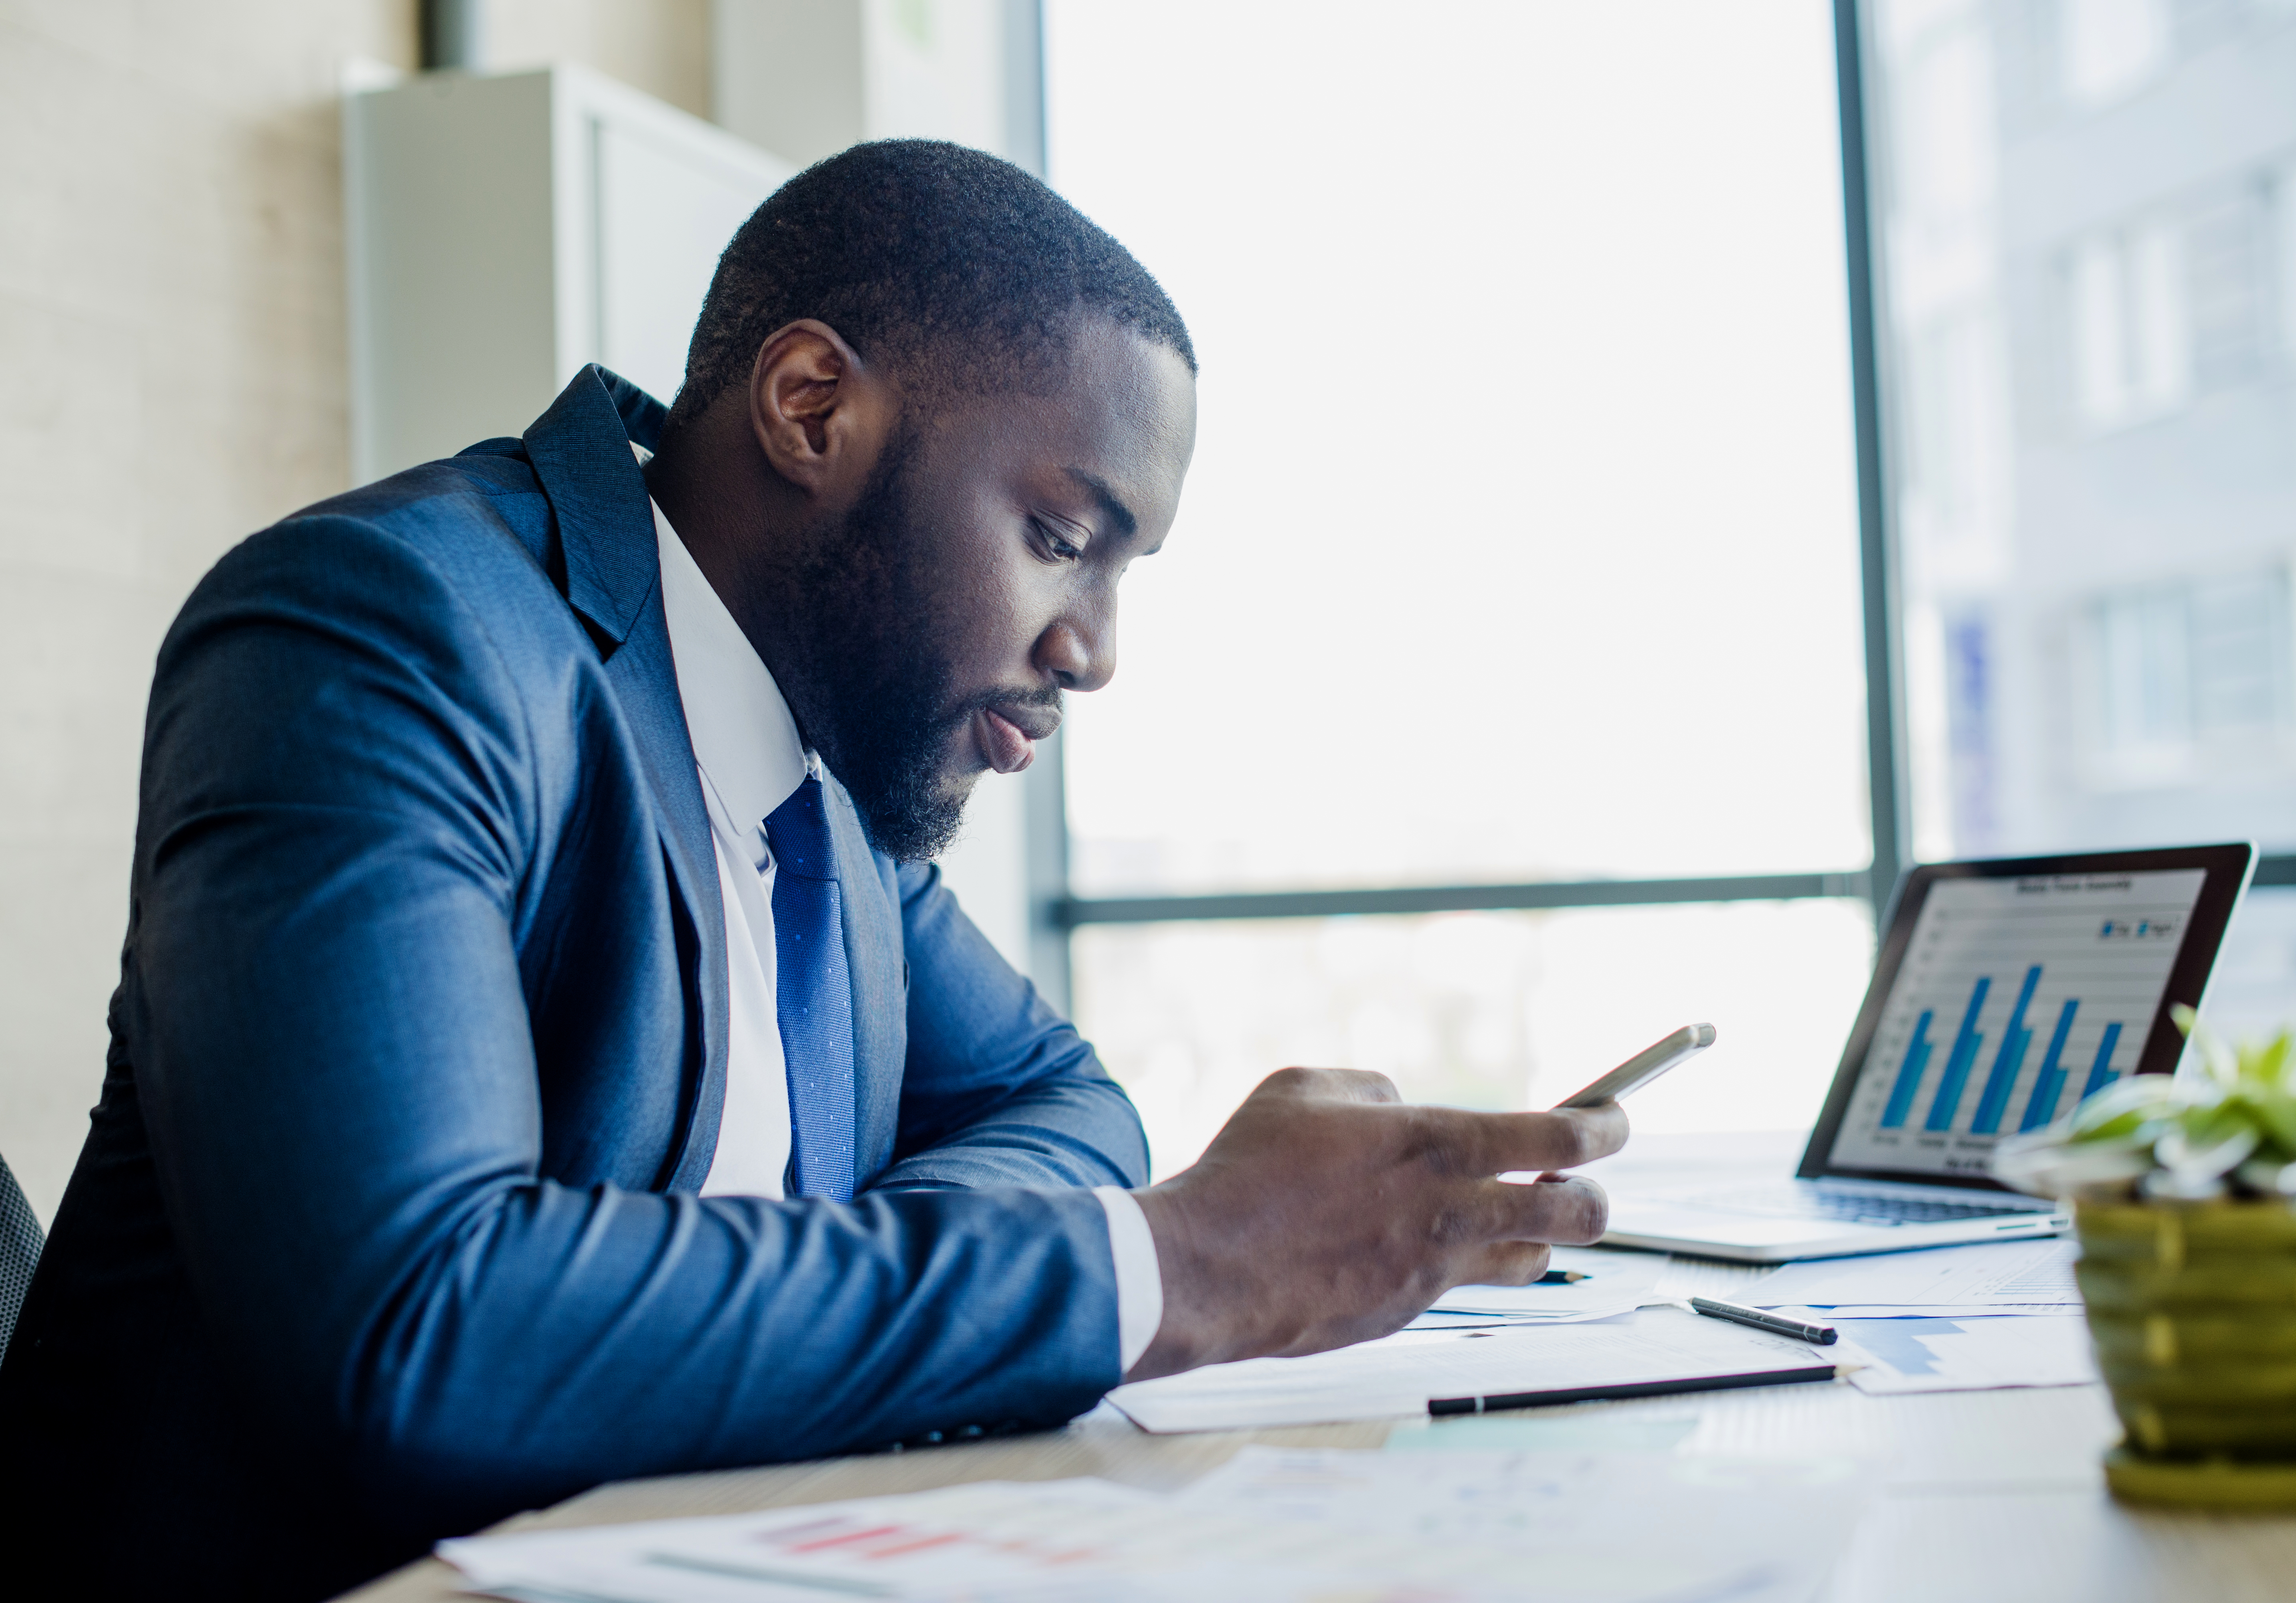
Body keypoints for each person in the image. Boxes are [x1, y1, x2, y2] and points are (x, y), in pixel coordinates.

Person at [0, 140, 1624, 1601]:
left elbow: (1066, 1102)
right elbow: (423, 1321)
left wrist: (830, 1299)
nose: (1095, 648)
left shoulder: (824, 777)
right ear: (810, 408)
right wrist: (1175, 1264)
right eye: (1064, 538)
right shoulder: (386, 639)